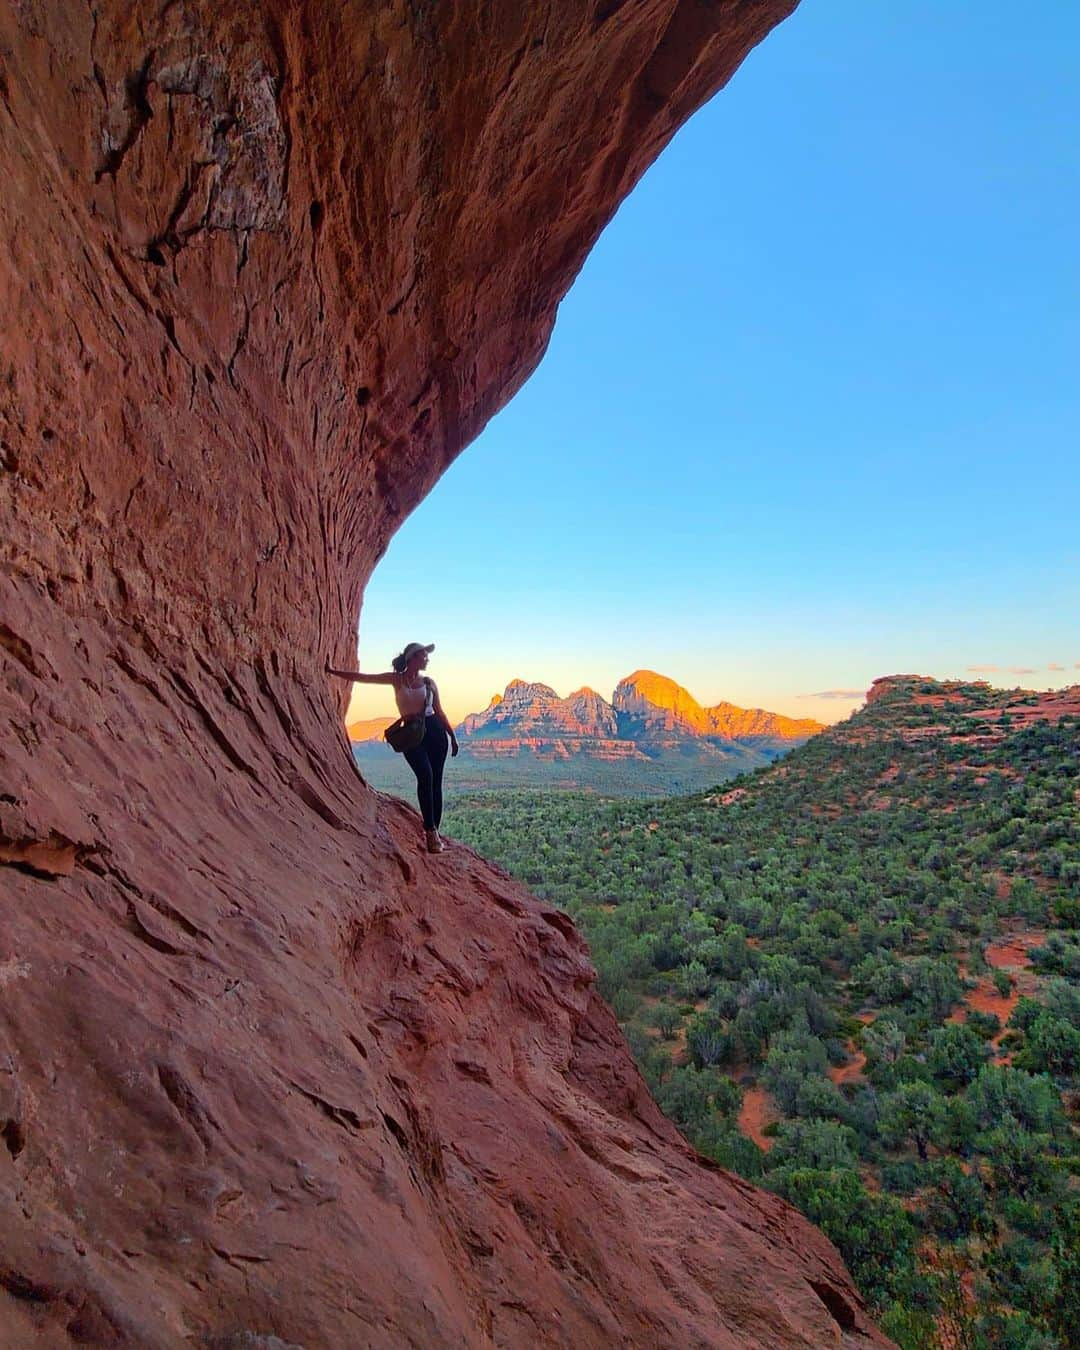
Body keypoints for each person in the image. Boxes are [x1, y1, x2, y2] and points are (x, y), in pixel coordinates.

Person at [327, 642, 458, 852]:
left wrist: (452, 737)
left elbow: (439, 712)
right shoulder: (395, 680)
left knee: (436, 782)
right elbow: (365, 678)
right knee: (425, 775)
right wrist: (333, 671)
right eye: (424, 656)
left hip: (435, 732)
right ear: (412, 658)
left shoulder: (429, 682)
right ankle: (430, 831)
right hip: (411, 735)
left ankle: (434, 834)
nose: (427, 659)